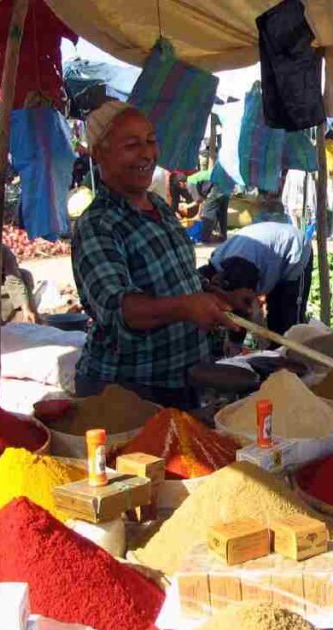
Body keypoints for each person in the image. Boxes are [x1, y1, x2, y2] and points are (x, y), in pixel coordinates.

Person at [71, 101, 250, 409]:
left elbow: (181, 279)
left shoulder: (159, 206)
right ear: (99, 154)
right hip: (127, 391)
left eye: (151, 141)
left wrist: (223, 299)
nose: (146, 154)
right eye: (131, 145)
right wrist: (186, 306)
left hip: (182, 380)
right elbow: (119, 310)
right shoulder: (98, 224)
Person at [199, 217, 313, 337]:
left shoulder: (239, 271)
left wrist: (234, 343)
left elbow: (242, 310)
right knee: (274, 313)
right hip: (269, 249)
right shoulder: (216, 263)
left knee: (290, 317)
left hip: (295, 248)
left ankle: (294, 351)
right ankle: (277, 349)